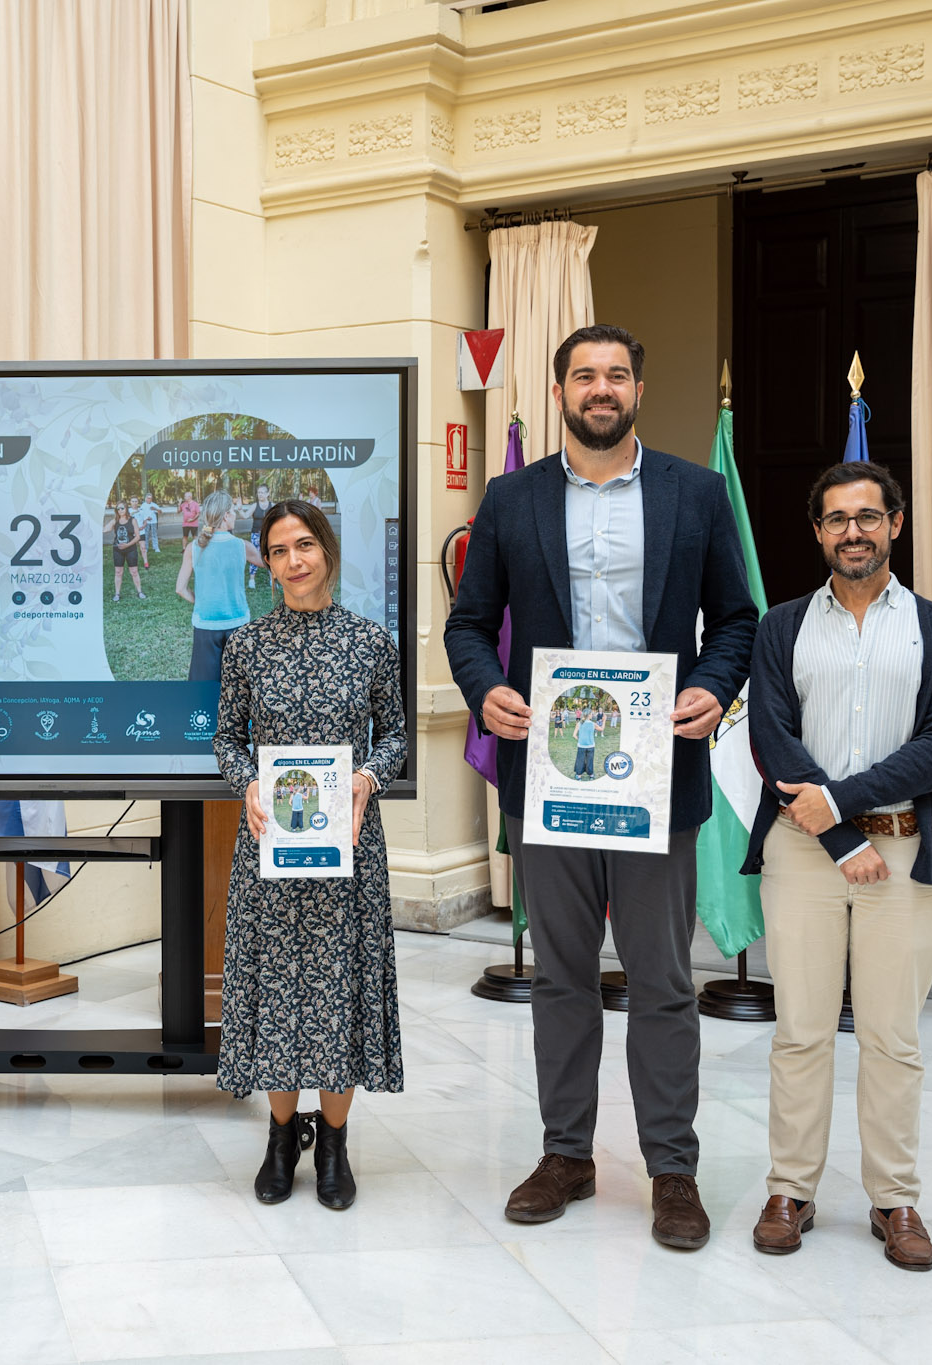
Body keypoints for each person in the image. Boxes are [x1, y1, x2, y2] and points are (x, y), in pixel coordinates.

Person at [443, 324, 758, 1250]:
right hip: (550, 774)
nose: (602, 387)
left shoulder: (694, 494)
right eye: (584, 374)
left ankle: (672, 1171)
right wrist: (486, 688)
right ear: (561, 392)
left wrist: (710, 684)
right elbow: (470, 624)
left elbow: (736, 620)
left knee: (662, 980)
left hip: (657, 774)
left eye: (618, 372)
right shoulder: (511, 498)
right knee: (563, 977)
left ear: (639, 389)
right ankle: (565, 1154)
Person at [742, 462, 932, 1269]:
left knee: (892, 1036)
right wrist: (839, 836)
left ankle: (895, 1199)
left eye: (868, 517)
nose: (853, 531)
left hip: (904, 851)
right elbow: (770, 739)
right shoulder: (779, 628)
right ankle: (790, 1188)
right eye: (837, 519)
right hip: (803, 853)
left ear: (896, 525)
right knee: (800, 1030)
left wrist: (840, 806)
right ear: (817, 532)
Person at [216, 500, 407, 1212]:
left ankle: (332, 1140)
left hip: (348, 845)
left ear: (326, 549)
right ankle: (277, 1135)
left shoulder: (368, 642)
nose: (293, 560)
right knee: (275, 990)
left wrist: (366, 775)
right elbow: (226, 740)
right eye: (277, 550)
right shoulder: (246, 646)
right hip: (268, 846)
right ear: (266, 564)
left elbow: (395, 735)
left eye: (304, 545)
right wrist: (248, 782)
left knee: (336, 991)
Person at [177, 492, 263, 682]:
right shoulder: (242, 546)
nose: (234, 515)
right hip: (238, 624)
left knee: (204, 689)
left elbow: (180, 589)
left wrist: (201, 602)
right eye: (232, 511)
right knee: (238, 688)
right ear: (225, 515)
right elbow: (271, 563)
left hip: (205, 624)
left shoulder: (194, 547)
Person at [111, 502, 146, 601]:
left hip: (131, 549)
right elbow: (105, 529)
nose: (120, 510)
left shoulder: (132, 520)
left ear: (126, 508)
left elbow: (138, 537)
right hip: (118, 550)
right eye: (118, 509)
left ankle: (139, 591)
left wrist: (127, 545)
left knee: (134, 571)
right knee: (118, 572)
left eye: (122, 508)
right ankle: (117, 594)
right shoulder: (115, 521)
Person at [246, 483, 272, 589]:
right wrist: (239, 509)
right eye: (258, 493)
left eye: (262, 492)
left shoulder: (272, 505)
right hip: (256, 534)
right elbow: (245, 516)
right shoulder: (254, 505)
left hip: (268, 535)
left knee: (270, 556)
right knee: (254, 555)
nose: (260, 495)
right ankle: (252, 580)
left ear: (267, 493)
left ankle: (272, 580)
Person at [137, 493, 161, 568]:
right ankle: (146, 548)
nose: (149, 499)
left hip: (153, 522)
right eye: (148, 498)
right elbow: (140, 514)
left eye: (150, 498)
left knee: (154, 535)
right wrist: (146, 518)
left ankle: (156, 548)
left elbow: (160, 512)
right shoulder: (143, 505)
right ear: (145, 498)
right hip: (146, 522)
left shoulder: (154, 504)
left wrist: (155, 509)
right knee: (146, 535)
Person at [572, 711, 599, 778]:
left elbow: (574, 735)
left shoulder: (579, 724)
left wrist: (580, 739)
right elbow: (602, 729)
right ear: (589, 715)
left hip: (581, 746)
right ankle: (591, 775)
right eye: (591, 714)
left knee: (580, 760)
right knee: (590, 760)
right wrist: (604, 721)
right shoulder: (593, 724)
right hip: (591, 746)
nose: (592, 715)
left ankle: (578, 776)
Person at [179, 486, 201, 550]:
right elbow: (178, 511)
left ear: (190, 497)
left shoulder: (195, 504)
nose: (184, 497)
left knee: (195, 536)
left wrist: (192, 519)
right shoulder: (183, 504)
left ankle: (196, 549)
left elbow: (198, 513)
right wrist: (179, 503)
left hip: (194, 524)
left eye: (185, 496)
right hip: (185, 524)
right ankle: (184, 549)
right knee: (185, 536)